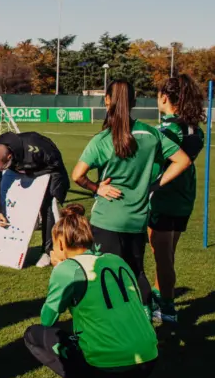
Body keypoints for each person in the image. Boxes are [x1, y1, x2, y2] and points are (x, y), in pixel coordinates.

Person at [23, 203, 158, 378]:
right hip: (148, 361)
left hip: (107, 366)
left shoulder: (68, 269)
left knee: (34, 335)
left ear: (60, 243)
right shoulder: (116, 260)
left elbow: (47, 319)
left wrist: (59, 267)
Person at [70, 80, 192, 305]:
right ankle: (144, 316)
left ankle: (114, 322)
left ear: (107, 100)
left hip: (107, 219)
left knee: (104, 276)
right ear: (134, 102)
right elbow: (183, 161)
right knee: (135, 273)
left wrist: (97, 188)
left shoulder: (103, 139)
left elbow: (77, 175)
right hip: (137, 219)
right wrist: (155, 184)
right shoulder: (151, 134)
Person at [149, 74, 206, 324]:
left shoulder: (168, 130)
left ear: (165, 97)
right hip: (184, 196)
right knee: (166, 254)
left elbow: (159, 161)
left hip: (164, 197)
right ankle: (158, 296)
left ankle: (168, 308)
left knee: (162, 257)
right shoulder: (194, 129)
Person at [0, 130, 69, 267]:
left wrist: (32, 174)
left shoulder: (37, 148)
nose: (1, 170)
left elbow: (56, 165)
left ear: (10, 156)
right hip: (23, 167)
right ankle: (7, 245)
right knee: (12, 199)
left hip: (48, 169)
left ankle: (48, 251)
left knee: (47, 205)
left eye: (4, 167)